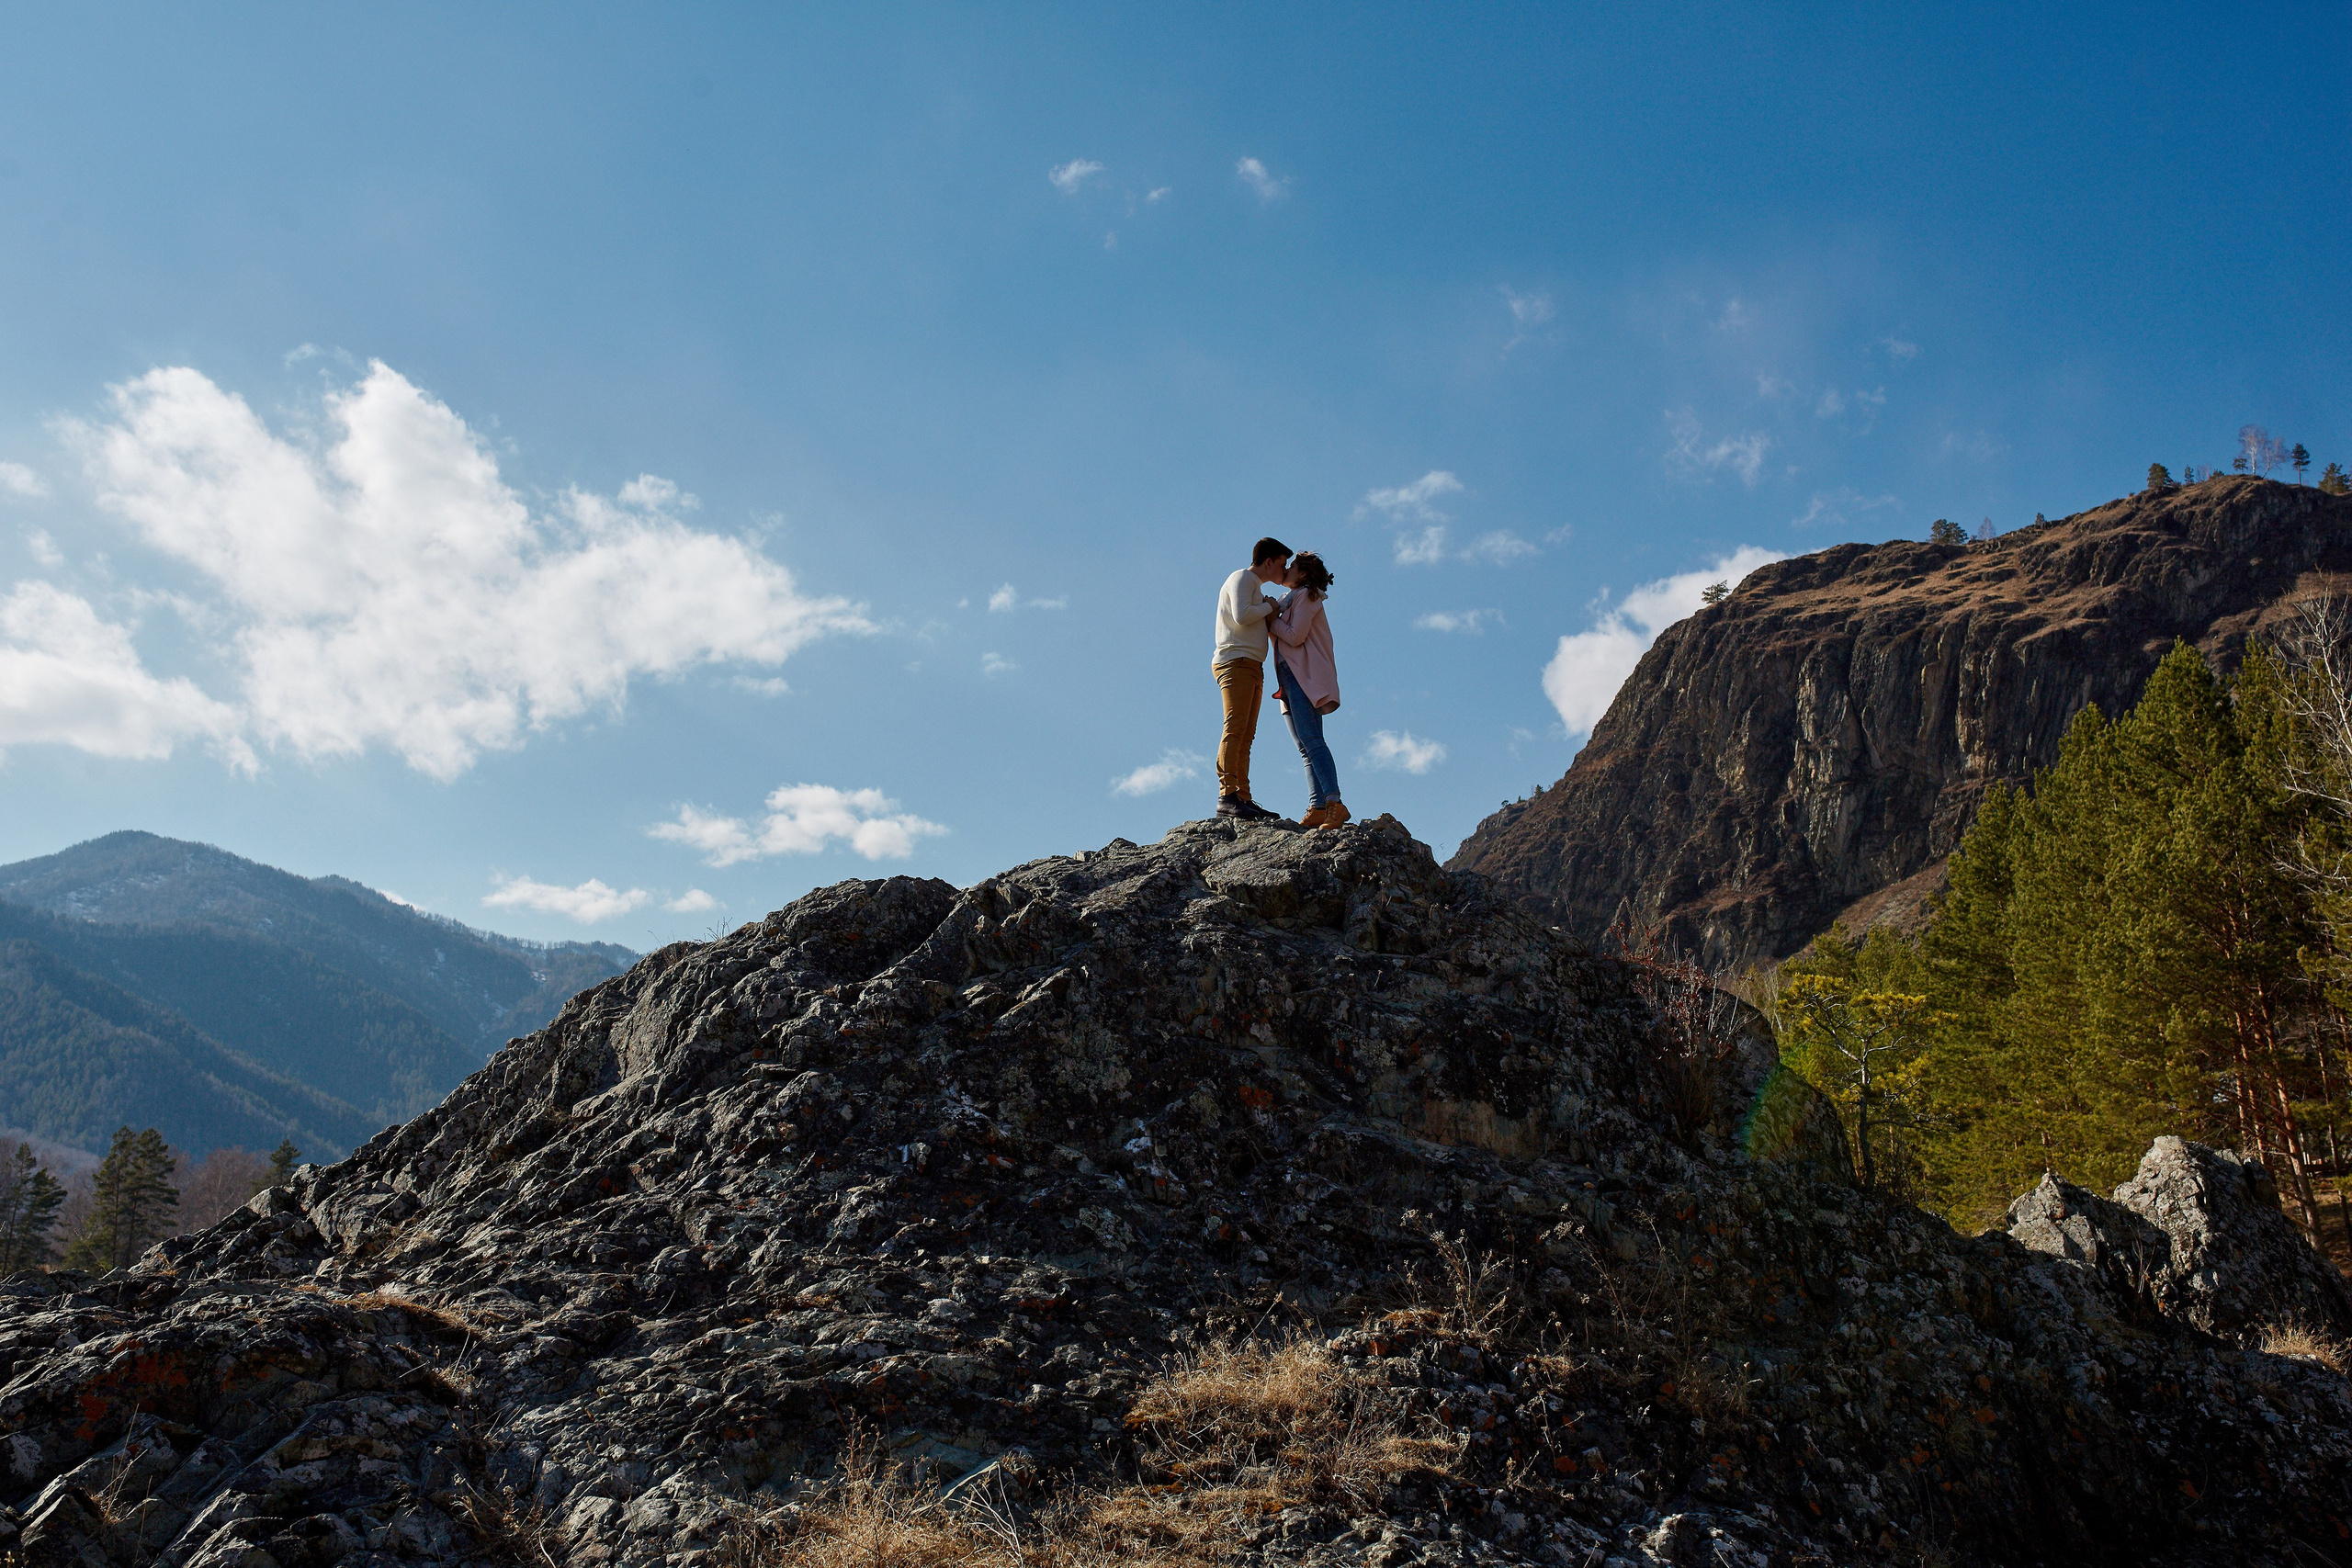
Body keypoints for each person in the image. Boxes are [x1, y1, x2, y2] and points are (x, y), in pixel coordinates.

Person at [1212, 537, 1291, 820]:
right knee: (1235, 728)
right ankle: (1227, 794)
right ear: (1268, 561)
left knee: (1246, 733)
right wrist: (1270, 606)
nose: (1283, 570)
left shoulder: (1253, 585)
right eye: (1281, 564)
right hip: (1235, 661)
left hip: (1251, 665)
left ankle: (1241, 796)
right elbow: (1242, 615)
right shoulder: (1243, 577)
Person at [1269, 550, 1349, 828]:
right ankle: (1317, 806)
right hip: (1288, 678)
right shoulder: (1287, 600)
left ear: (1302, 573)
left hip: (1302, 675)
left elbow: (1295, 635)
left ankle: (1334, 803)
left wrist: (1271, 619)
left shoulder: (1307, 595)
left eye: (1291, 566)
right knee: (1305, 745)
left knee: (1312, 741)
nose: (1287, 569)